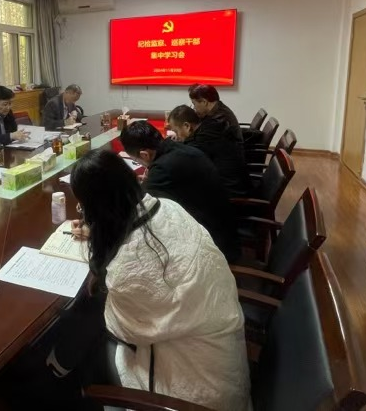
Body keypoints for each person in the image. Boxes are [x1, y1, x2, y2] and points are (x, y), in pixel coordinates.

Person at [64, 149, 250, 410]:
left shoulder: (129, 267)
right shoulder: (168, 208)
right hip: (224, 360)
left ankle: (66, 380)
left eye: (84, 207)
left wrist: (100, 238)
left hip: (195, 394)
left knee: (92, 329)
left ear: (96, 208)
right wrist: (99, 230)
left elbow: (124, 329)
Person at [119, 121, 239, 261]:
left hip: (212, 243)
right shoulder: (179, 148)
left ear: (145, 155)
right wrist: (150, 180)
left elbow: (139, 205)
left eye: (136, 160)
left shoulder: (162, 169)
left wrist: (141, 184)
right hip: (224, 225)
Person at [168, 104, 251, 198]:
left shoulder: (202, 140)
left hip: (230, 194)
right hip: (234, 184)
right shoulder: (207, 128)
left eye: (176, 131)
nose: (177, 136)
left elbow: (183, 158)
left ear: (187, 126)